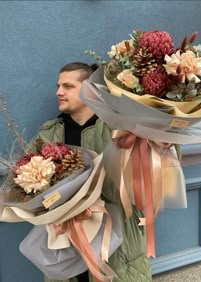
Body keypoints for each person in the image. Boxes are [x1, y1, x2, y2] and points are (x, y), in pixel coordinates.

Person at [27, 62, 152, 282]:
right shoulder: (49, 133)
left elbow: (154, 163)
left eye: (67, 86)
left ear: (88, 89)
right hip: (65, 241)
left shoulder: (119, 129)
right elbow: (26, 178)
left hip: (117, 240)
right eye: (58, 86)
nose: (58, 92)